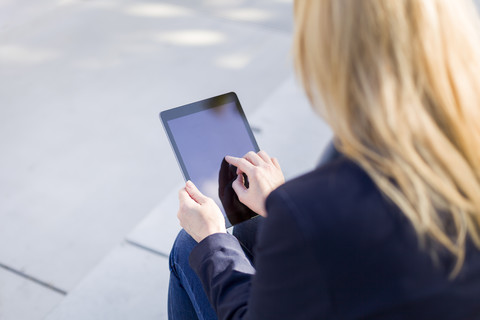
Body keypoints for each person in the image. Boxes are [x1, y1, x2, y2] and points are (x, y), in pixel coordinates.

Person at [168, 0, 480, 319]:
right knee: (238, 232)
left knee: (192, 246)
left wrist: (215, 241)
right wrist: (278, 207)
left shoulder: (316, 202)